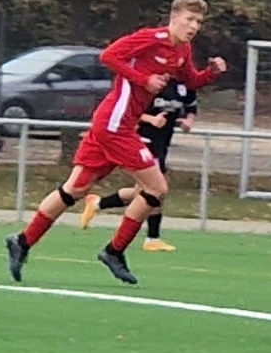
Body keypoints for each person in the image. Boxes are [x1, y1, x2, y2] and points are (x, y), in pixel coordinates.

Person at [5, 0, 225, 284]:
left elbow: (190, 80)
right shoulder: (151, 38)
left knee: (75, 188)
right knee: (157, 188)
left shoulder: (182, 49)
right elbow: (108, 56)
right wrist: (144, 79)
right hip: (115, 125)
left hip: (115, 124)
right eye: (189, 19)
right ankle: (114, 251)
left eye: (198, 21)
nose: (194, 26)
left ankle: (22, 241)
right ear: (174, 17)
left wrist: (211, 73)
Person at [76, 66, 207, 251]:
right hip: (143, 140)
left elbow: (191, 106)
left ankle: (97, 203)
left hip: (162, 143)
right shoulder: (152, 84)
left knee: (145, 191)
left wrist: (188, 121)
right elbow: (130, 113)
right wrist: (150, 119)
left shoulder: (184, 85)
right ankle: (152, 238)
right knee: (157, 189)